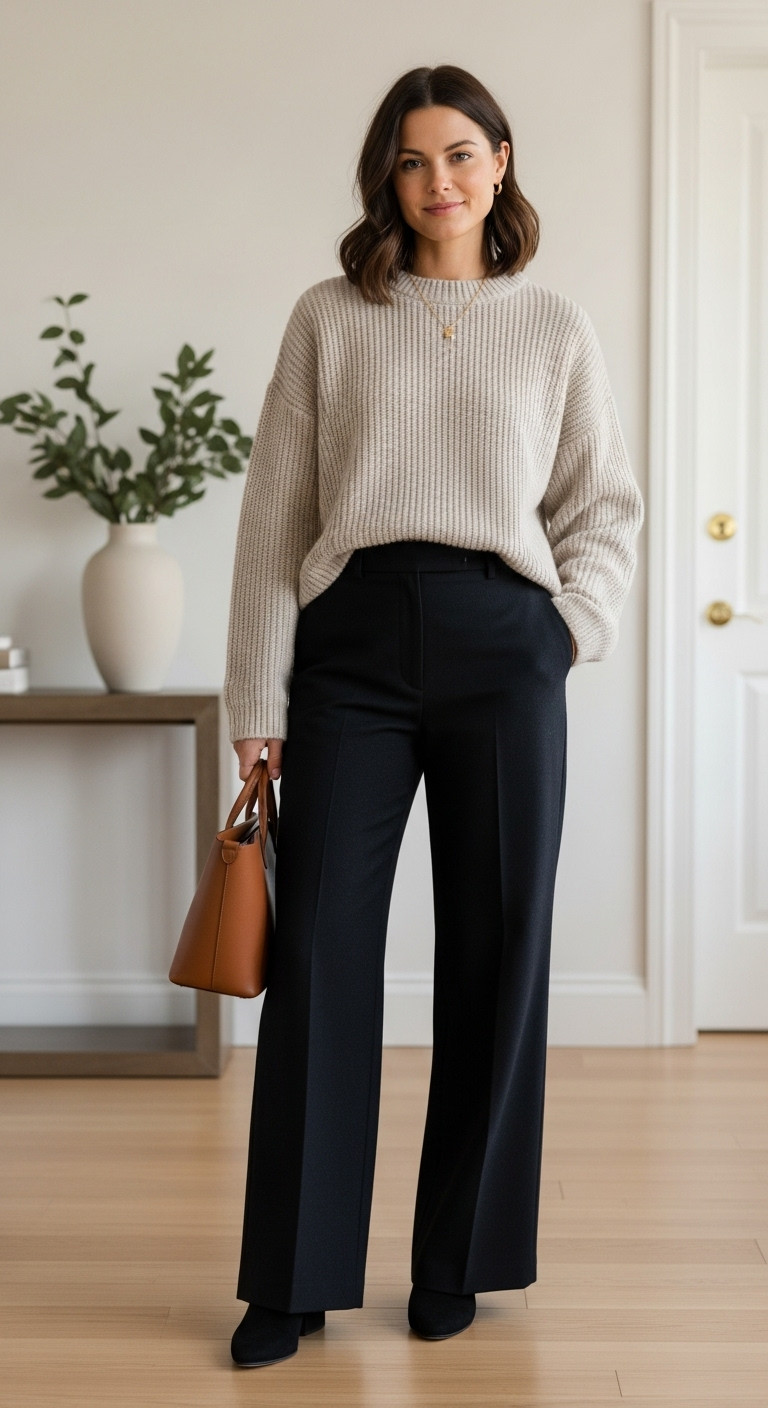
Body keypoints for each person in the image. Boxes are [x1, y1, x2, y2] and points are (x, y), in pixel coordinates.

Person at [223, 63, 644, 1369]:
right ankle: (293, 1277)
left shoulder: (554, 324)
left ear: (500, 163)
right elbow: (274, 518)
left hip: (503, 644)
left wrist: (564, 633)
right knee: (319, 954)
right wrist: (258, 698)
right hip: (349, 647)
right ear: (387, 179)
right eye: (413, 161)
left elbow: (602, 508)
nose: (439, 181)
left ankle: (460, 1258)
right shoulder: (329, 317)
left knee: (499, 949)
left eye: (461, 154)